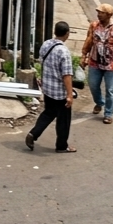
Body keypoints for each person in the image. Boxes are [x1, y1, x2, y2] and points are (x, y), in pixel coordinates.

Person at [26, 21, 76, 153]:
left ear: (55, 31)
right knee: (63, 120)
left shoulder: (46, 44)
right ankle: (61, 145)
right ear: (67, 34)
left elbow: (42, 62)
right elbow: (67, 75)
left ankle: (33, 134)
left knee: (48, 113)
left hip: (47, 88)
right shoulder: (63, 52)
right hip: (59, 92)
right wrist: (70, 95)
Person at [81, 3, 113, 124]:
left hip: (111, 64)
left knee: (110, 90)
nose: (98, 15)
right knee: (93, 85)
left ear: (109, 15)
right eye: (98, 12)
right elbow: (89, 41)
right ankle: (99, 102)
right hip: (95, 62)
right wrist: (84, 56)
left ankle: (108, 113)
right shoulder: (94, 25)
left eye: (101, 13)